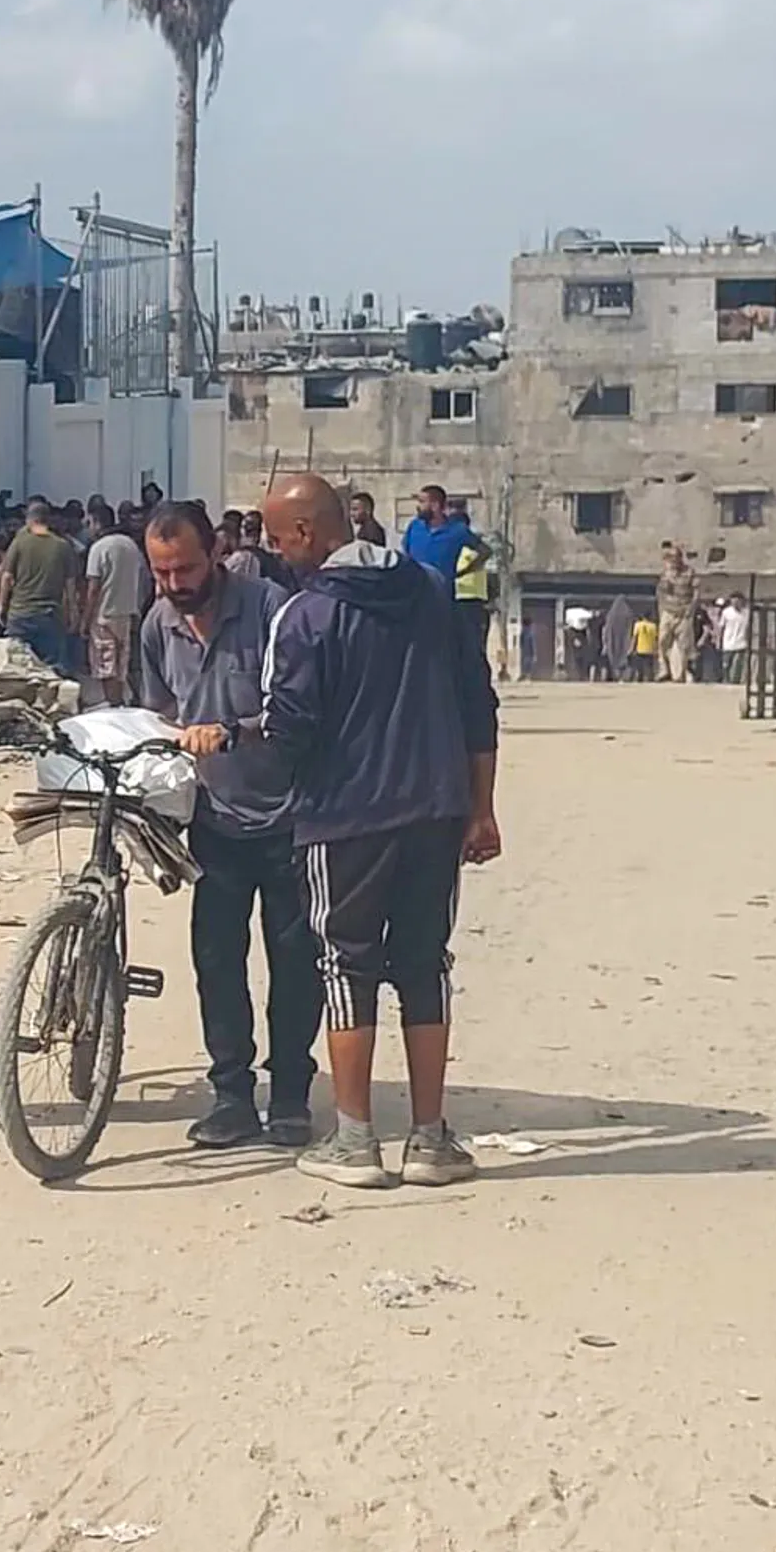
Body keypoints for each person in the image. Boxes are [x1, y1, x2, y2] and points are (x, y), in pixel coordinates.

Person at [258, 474, 502, 1190]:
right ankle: (430, 1138)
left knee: (345, 967)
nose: (276, 550)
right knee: (426, 965)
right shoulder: (430, 590)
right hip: (436, 807)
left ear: (307, 533)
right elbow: (477, 703)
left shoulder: (304, 616)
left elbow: (288, 727)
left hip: (343, 817)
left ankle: (356, 1138)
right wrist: (482, 806)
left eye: (278, 537)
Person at [135, 502, 321, 1149]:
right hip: (213, 823)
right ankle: (232, 1095)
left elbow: (301, 706)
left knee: (296, 959)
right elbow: (160, 712)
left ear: (214, 549)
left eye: (184, 567)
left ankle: (292, 1094)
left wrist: (234, 733)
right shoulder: (158, 624)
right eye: (161, 572)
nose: (175, 583)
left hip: (291, 819)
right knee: (216, 960)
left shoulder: (273, 609)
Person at [0, 497, 78, 671]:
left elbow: (6, 577)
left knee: (17, 667)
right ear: (49, 520)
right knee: (52, 668)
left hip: (19, 615)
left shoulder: (19, 543)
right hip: (49, 616)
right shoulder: (63, 546)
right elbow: (70, 586)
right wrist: (73, 614)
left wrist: (2, 606)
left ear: (29, 520)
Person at [81, 503, 148, 706]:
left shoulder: (99, 548)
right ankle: (122, 702)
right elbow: (144, 579)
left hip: (104, 615)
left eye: (89, 523)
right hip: (127, 613)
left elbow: (93, 589)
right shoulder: (131, 545)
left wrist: (85, 620)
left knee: (105, 665)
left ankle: (114, 705)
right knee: (121, 665)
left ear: (97, 522)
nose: (88, 528)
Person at [447, 501, 493, 664]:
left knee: (470, 647)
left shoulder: (464, 544)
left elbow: (485, 554)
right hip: (468, 599)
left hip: (465, 599)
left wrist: (462, 572)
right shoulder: (467, 545)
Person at [401, 484, 472, 585]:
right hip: (413, 590)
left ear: (435, 505)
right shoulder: (414, 526)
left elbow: (484, 551)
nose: (418, 507)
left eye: (422, 502)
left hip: (441, 593)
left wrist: (464, 571)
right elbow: (405, 552)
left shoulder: (458, 530)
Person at [655, 543, 699, 683]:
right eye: (671, 558)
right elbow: (661, 592)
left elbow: (696, 592)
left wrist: (691, 608)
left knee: (684, 645)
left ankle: (680, 674)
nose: (674, 561)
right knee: (662, 641)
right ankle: (664, 669)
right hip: (669, 611)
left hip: (684, 612)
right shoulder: (666, 573)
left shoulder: (689, 572)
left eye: (676, 557)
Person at [718, 591, 752, 684]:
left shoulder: (747, 613)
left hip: (741, 642)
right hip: (728, 643)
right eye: (733, 601)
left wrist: (749, 641)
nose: (736, 603)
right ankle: (726, 680)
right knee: (726, 664)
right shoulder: (726, 612)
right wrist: (718, 641)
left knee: (737, 663)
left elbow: (748, 628)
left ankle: (735, 681)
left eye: (738, 601)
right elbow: (721, 627)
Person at [602, 595, 635, 684]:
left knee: (613, 658)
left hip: (612, 641)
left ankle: (614, 676)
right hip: (624, 641)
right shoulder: (628, 613)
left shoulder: (611, 615)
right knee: (623, 659)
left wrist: (606, 642)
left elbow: (606, 630)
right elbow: (630, 629)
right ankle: (622, 677)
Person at [563, 602, 597, 681]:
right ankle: (581, 675)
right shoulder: (577, 619)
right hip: (577, 636)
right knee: (578, 658)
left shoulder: (581, 621)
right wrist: (575, 639)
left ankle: (583, 675)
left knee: (582, 658)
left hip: (580, 637)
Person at [630, 610, 659, 682]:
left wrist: (631, 648)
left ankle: (639, 678)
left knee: (639, 666)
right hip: (649, 649)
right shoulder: (653, 626)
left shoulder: (638, 625)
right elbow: (656, 639)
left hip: (640, 649)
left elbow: (635, 638)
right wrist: (656, 649)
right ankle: (650, 679)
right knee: (649, 667)